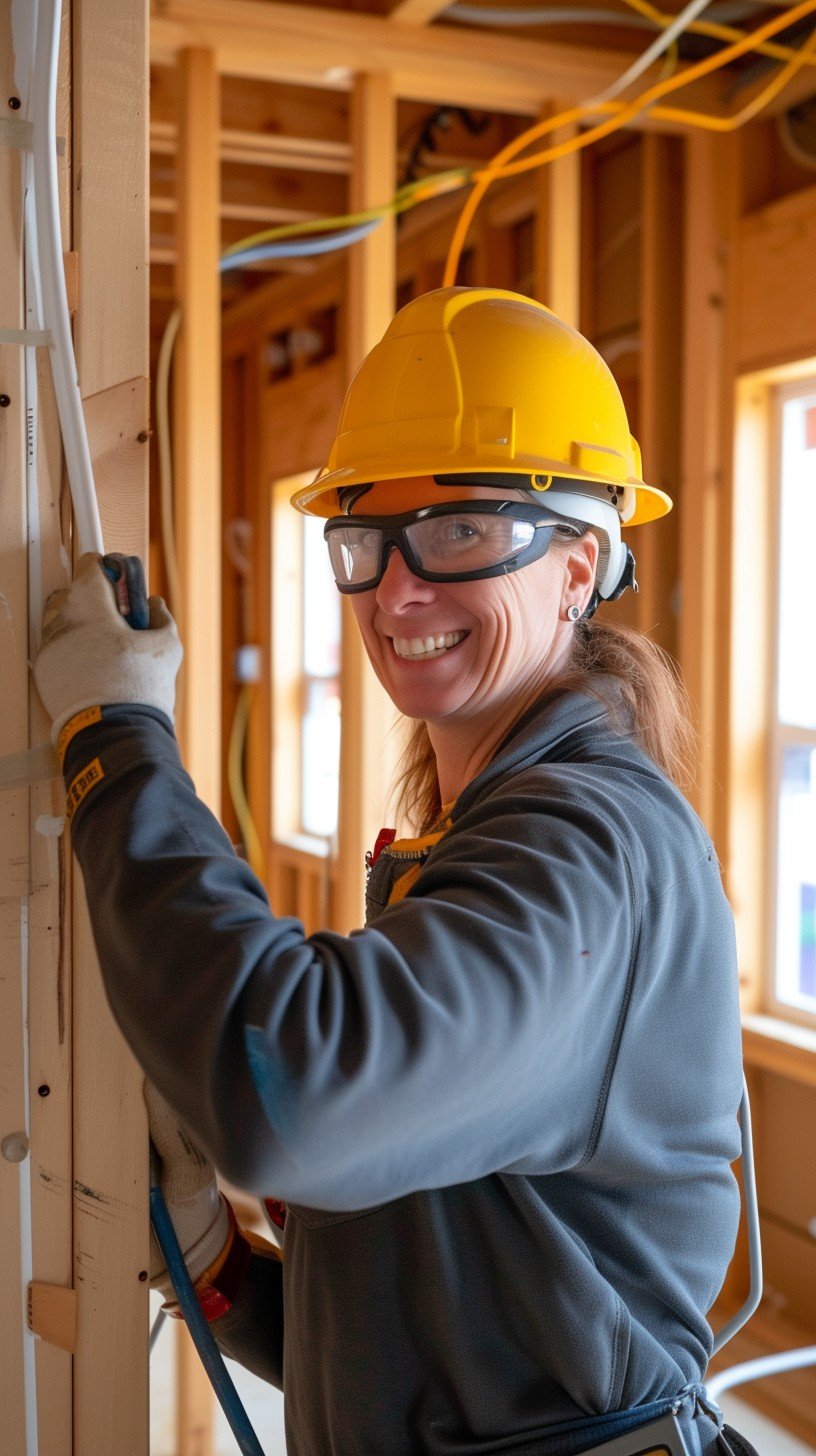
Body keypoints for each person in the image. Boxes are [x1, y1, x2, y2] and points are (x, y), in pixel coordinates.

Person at [34, 287, 744, 1456]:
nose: (399, 590)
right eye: (365, 539)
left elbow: (296, 1098)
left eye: (462, 530)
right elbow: (434, 1327)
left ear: (580, 564)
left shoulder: (585, 848)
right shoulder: (474, 841)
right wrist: (219, 1262)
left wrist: (114, 748)